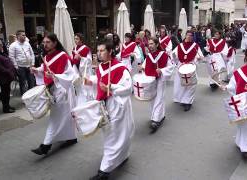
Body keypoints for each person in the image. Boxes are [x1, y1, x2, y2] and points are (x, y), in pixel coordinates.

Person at [85, 40, 135, 180]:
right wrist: (91, 81)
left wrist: (111, 88)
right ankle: (122, 155)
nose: (99, 53)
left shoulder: (120, 68)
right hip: (104, 104)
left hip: (116, 104)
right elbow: (100, 79)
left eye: (102, 51)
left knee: (113, 135)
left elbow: (127, 87)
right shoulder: (101, 66)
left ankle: (104, 171)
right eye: (98, 50)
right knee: (111, 134)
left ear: (110, 51)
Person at [30, 33, 77, 155]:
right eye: (44, 42)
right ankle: (72, 137)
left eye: (48, 42)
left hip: (62, 90)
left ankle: (46, 145)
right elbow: (44, 69)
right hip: (52, 90)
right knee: (64, 115)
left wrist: (55, 76)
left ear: (55, 43)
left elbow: (70, 74)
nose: (45, 44)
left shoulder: (63, 56)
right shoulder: (46, 56)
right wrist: (37, 70)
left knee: (55, 118)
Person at [139, 37, 174, 132]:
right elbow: (145, 65)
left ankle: (155, 120)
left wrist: (162, 70)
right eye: (149, 44)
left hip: (160, 80)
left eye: (151, 44)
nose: (150, 46)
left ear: (157, 44)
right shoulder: (149, 56)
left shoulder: (164, 55)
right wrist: (142, 67)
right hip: (151, 81)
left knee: (159, 98)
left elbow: (171, 67)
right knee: (153, 99)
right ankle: (160, 116)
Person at [172, 30, 203, 111]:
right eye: (187, 35)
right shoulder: (180, 46)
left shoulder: (195, 46)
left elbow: (200, 56)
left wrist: (198, 58)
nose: (189, 36)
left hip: (191, 66)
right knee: (180, 84)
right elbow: (174, 56)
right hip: (181, 66)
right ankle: (182, 99)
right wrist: (173, 56)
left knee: (191, 84)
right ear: (185, 36)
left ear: (193, 37)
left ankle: (188, 102)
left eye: (191, 35)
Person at [9, 30, 35, 95]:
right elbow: (12, 57)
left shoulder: (27, 43)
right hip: (20, 67)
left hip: (29, 66)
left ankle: (31, 96)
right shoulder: (13, 45)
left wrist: (32, 64)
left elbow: (32, 54)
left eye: (25, 35)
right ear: (18, 36)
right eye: (23, 35)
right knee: (23, 83)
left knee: (31, 81)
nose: (25, 36)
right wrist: (16, 67)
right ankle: (24, 97)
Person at [71, 33, 95, 105]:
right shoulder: (74, 49)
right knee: (78, 85)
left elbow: (89, 60)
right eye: (75, 39)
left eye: (77, 39)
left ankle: (88, 101)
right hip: (76, 68)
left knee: (86, 85)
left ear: (81, 40)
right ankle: (80, 102)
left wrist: (81, 58)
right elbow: (73, 58)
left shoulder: (86, 48)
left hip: (85, 70)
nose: (75, 40)